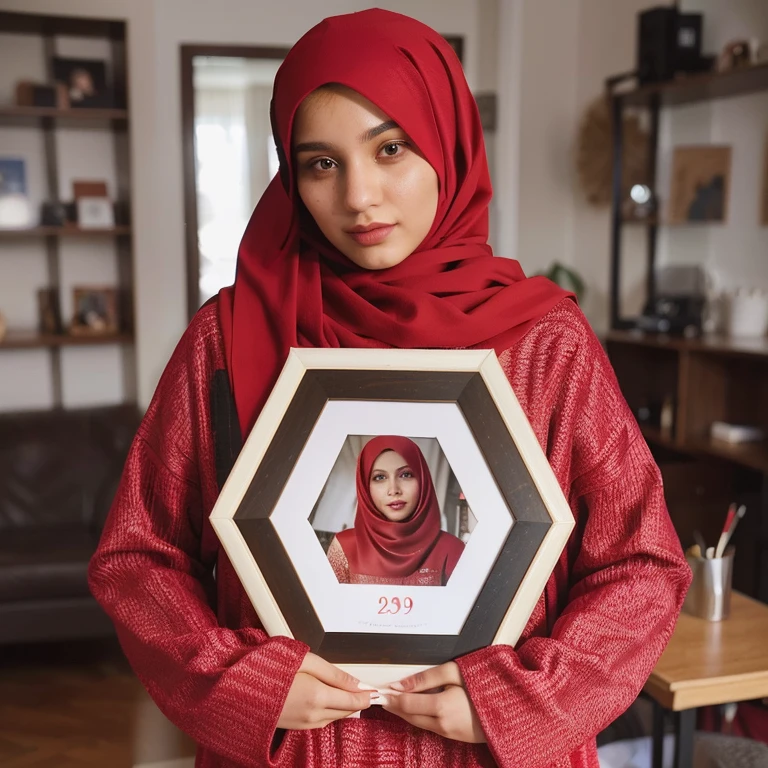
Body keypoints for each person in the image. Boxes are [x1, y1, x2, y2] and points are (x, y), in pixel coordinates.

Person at [88, 8, 691, 768]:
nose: (361, 196)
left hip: (490, 752)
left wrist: (522, 697)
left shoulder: (543, 343)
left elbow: (641, 564)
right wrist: (247, 683)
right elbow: (139, 556)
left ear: (447, 142)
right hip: (299, 752)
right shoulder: (228, 339)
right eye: (321, 163)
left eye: (391, 148)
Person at [326, 435, 465, 586]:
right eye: (379, 477)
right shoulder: (345, 547)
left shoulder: (452, 549)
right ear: (365, 487)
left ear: (423, 480)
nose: (393, 490)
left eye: (406, 475)